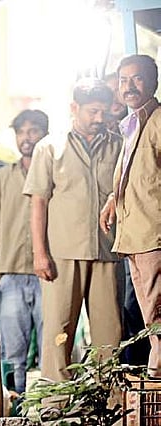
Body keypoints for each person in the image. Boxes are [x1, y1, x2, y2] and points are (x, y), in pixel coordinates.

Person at [23, 78, 122, 384]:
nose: (99, 118)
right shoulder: (49, 148)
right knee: (59, 331)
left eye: (104, 112)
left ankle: (107, 398)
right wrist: (40, 254)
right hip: (62, 255)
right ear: (74, 108)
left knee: (110, 334)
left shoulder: (118, 145)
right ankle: (55, 399)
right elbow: (38, 203)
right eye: (93, 111)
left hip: (107, 252)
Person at [99, 54, 161, 377]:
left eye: (137, 79)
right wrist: (114, 198)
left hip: (153, 235)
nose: (129, 86)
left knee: (157, 313)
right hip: (135, 235)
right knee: (149, 315)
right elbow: (141, 174)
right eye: (124, 80)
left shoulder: (158, 121)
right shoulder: (133, 123)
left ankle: (156, 375)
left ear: (153, 82)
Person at [0, 109, 48, 393]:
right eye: (21, 132)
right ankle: (16, 404)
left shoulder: (54, 172)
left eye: (33, 131)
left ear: (45, 134)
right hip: (10, 275)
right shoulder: (2, 178)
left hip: (49, 274)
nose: (27, 137)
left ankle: (50, 405)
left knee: (51, 348)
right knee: (13, 353)